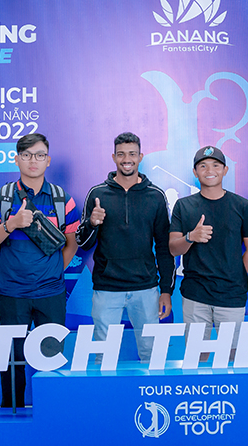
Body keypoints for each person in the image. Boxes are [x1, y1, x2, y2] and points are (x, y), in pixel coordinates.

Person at [0, 133, 80, 407]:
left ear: (48, 160)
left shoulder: (63, 200)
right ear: (16, 159)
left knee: (51, 358)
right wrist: (11, 224)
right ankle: (11, 415)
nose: (32, 160)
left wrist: (54, 270)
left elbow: (71, 244)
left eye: (38, 155)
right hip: (13, 293)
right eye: (26, 155)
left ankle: (52, 416)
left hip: (51, 293)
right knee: (12, 359)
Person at [76, 132, 175, 362]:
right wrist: (92, 222)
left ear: (140, 157)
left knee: (152, 356)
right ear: (113, 157)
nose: (126, 159)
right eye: (121, 154)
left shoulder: (156, 196)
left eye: (132, 154)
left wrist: (166, 291)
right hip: (107, 287)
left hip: (146, 288)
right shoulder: (97, 193)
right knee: (103, 356)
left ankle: (153, 397)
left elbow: (164, 246)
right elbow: (83, 243)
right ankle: (105, 399)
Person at [168, 146, 248, 361]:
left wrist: (234, 274)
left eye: (216, 165)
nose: (210, 170)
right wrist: (191, 236)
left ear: (225, 170)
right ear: (195, 171)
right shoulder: (184, 206)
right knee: (197, 357)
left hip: (231, 295)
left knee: (233, 356)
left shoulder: (242, 206)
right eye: (203, 165)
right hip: (195, 295)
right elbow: (173, 248)